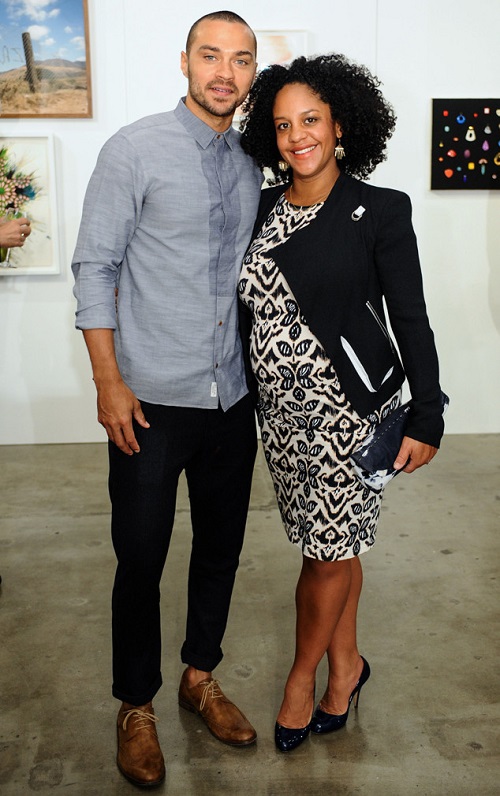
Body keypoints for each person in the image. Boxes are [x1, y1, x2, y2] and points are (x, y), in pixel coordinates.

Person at [72, 11, 262, 788]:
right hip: (149, 399)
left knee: (220, 549)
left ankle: (199, 676)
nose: (224, 72)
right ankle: (136, 704)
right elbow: (94, 266)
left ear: (252, 73)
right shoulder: (134, 149)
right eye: (211, 55)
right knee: (141, 555)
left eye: (240, 60)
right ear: (185, 62)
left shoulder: (255, 161)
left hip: (233, 399)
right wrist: (108, 382)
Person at [238, 54, 445, 752]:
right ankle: (348, 665)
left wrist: (428, 413)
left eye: (311, 120)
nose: (297, 136)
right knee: (335, 545)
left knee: (323, 558)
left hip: (349, 418)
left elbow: (410, 317)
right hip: (281, 420)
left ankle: (303, 680)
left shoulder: (379, 209)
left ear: (341, 126)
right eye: (283, 124)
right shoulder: (263, 207)